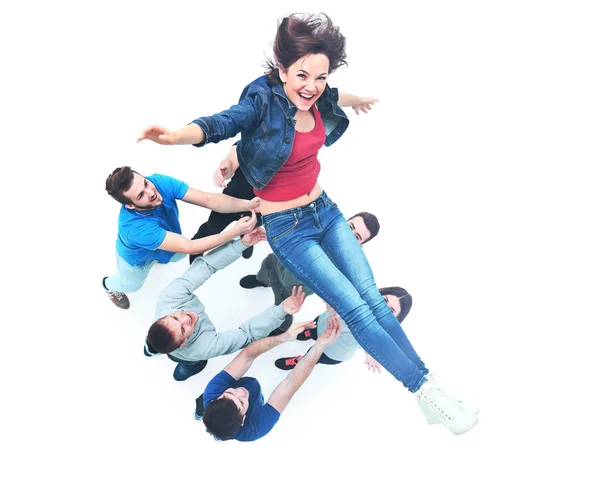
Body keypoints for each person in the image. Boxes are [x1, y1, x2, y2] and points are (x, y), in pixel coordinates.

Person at [137, 13, 478, 434]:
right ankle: (426, 392)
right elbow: (223, 122)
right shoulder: (261, 101)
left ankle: (431, 391)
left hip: (325, 209)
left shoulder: (316, 94)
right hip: (288, 228)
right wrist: (175, 137)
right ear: (281, 69)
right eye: (302, 75)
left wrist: (358, 100)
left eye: (320, 76)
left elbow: (333, 96)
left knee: (370, 296)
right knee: (354, 309)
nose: (311, 86)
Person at [144, 228, 307, 381]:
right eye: (182, 329)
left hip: (174, 338)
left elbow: (206, 265)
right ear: (184, 342)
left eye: (175, 317)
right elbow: (247, 333)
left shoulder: (169, 297)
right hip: (190, 353)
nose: (185, 318)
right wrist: (281, 310)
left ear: (165, 315)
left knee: (170, 344)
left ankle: (154, 349)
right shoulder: (203, 348)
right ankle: (191, 365)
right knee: (191, 360)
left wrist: (241, 244)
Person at [103, 166, 258, 309]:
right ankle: (108, 285)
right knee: (132, 285)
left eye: (145, 183)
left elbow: (208, 200)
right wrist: (234, 232)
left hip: (164, 242)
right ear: (130, 205)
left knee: (178, 256)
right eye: (140, 195)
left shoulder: (158, 182)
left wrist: (247, 205)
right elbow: (189, 247)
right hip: (137, 261)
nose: (150, 192)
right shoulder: (135, 229)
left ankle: (158, 256)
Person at [197, 315, 342, 442]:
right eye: (241, 402)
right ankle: (218, 431)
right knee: (220, 428)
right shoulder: (256, 427)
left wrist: (285, 337)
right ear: (242, 420)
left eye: (229, 393)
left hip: (218, 402)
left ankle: (205, 413)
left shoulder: (212, 392)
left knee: (205, 403)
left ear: (217, 398)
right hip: (243, 412)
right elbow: (289, 385)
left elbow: (247, 355)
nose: (240, 391)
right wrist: (319, 347)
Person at [239, 206, 380, 331]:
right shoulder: (316, 223)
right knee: (265, 269)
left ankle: (283, 326)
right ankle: (263, 281)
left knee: (283, 313)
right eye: (350, 227)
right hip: (274, 263)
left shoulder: (345, 269)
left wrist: (335, 307)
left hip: (288, 292)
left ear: (359, 246)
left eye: (356, 237)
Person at [274, 286, 410, 370]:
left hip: (332, 351)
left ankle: (299, 360)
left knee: (311, 356)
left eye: (391, 310)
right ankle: (310, 334)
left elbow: (373, 345)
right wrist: (331, 304)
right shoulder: (358, 297)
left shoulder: (380, 332)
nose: (382, 307)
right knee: (313, 330)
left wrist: (371, 354)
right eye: (384, 300)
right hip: (321, 324)